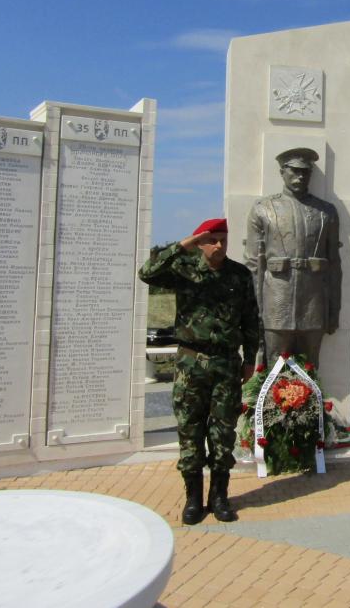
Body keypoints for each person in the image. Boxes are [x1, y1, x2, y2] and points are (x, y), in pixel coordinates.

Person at [138, 218, 259, 524]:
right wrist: (185, 245)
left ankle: (219, 496)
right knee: (190, 434)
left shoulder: (239, 275)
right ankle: (193, 497)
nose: (219, 245)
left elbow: (250, 319)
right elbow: (147, 272)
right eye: (213, 240)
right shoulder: (185, 270)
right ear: (201, 241)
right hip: (191, 364)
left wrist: (249, 360)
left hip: (226, 364)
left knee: (222, 435)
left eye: (223, 240)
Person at [244, 148, 341, 369]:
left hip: (313, 302)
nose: (300, 177)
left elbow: (334, 265)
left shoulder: (326, 212)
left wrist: (333, 311)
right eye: (294, 171)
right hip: (276, 299)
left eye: (305, 172)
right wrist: (255, 311)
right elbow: (253, 265)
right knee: (274, 366)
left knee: (310, 367)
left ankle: (310, 404)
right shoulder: (263, 209)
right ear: (282, 172)